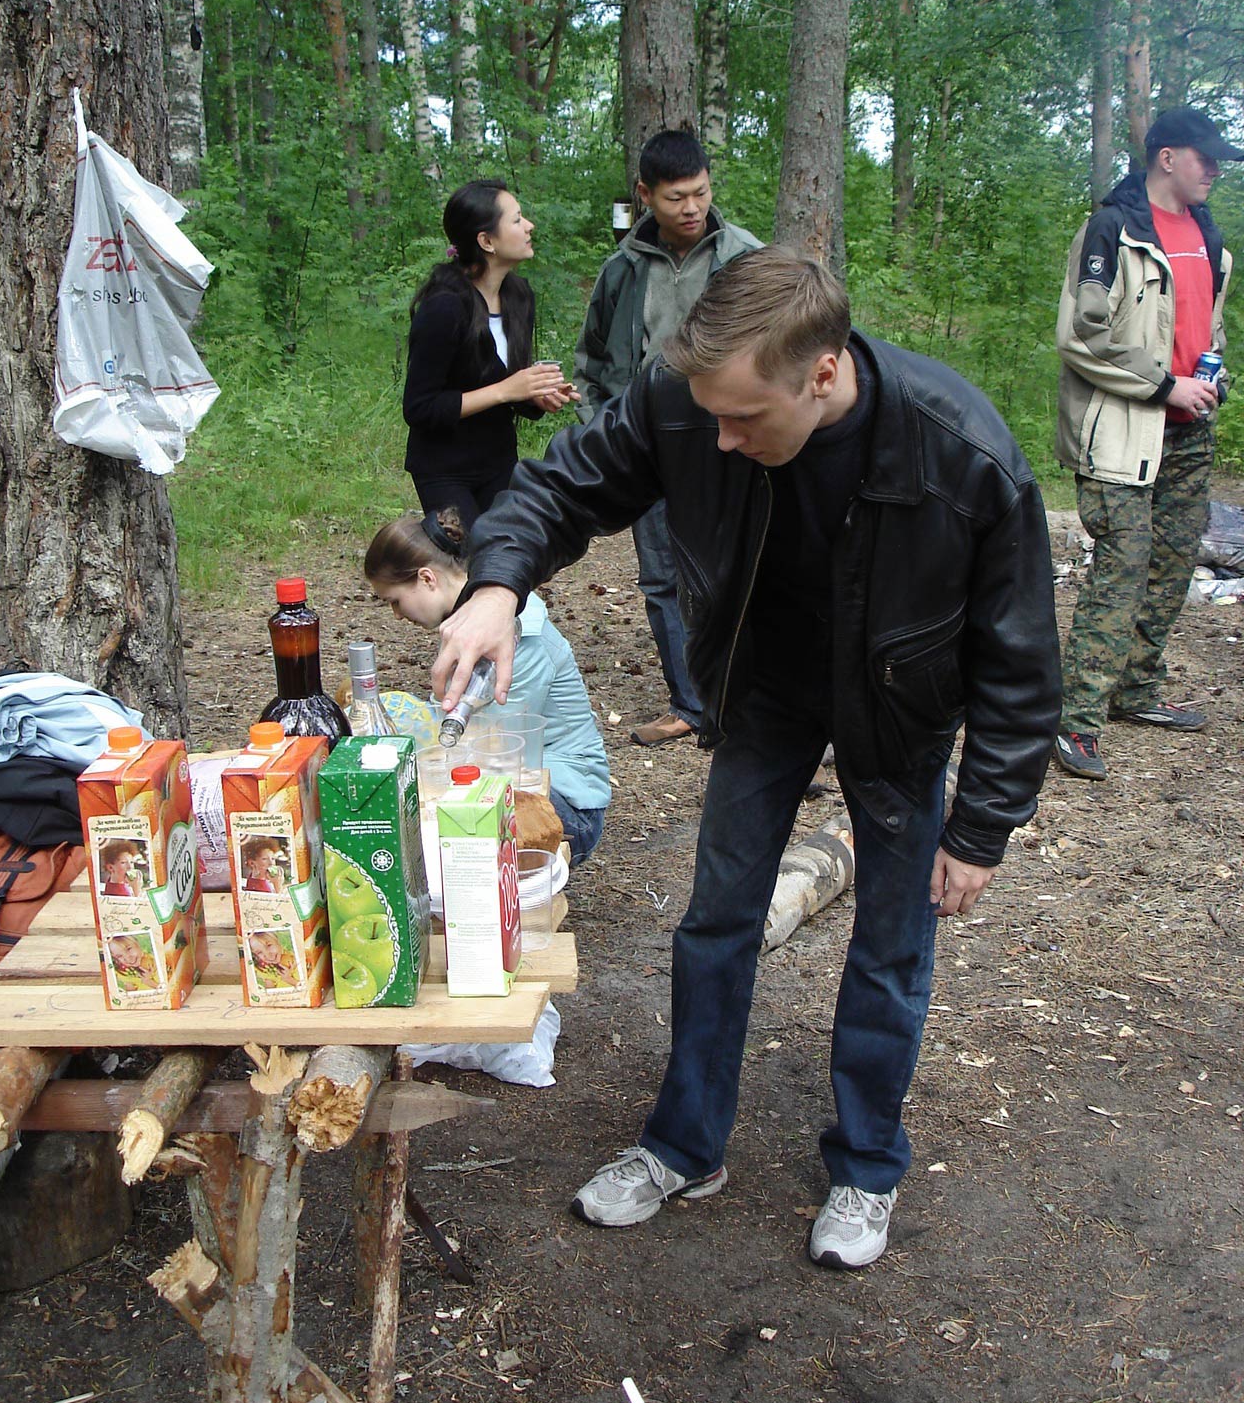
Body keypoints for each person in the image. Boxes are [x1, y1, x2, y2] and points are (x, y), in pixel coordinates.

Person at [433, 247, 1059, 1268]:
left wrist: (982, 823)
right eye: (709, 416)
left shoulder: (959, 452)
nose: (719, 439)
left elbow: (1021, 660)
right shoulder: (685, 401)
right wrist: (498, 585)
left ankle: (866, 1166)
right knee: (717, 917)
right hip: (765, 690)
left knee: (891, 942)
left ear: (822, 374)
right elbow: (560, 488)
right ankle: (684, 1145)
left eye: (744, 419)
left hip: (898, 711)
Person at [1054, 107, 1240, 782]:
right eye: (1204, 158)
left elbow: (1205, 328)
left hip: (1190, 430)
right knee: (1124, 566)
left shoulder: (1210, 237)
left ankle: (1135, 688)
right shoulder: (1112, 229)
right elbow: (1082, 336)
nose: (1214, 170)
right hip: (1123, 429)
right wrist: (1166, 387)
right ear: (1167, 157)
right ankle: (1077, 718)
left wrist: (1211, 376)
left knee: (1173, 562)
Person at [574, 131, 762, 746]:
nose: (691, 208)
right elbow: (593, 359)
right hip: (649, 447)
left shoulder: (746, 259)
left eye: (700, 192)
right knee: (661, 579)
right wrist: (603, 429)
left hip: (733, 444)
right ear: (645, 195)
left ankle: (751, 703)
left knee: (740, 572)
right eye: (676, 197)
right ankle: (690, 703)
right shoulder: (622, 270)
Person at [365, 509, 610, 865]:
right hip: (511, 780)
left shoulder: (520, 633)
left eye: (395, 601)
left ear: (427, 578)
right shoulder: (467, 621)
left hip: (567, 805)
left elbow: (493, 750)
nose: (397, 615)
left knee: (439, 836)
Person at [402, 179, 578, 530]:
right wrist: (507, 390)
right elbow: (420, 408)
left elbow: (503, 382)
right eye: (517, 220)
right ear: (486, 241)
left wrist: (535, 394)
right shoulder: (444, 308)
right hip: (444, 469)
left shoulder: (519, 296)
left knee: (509, 552)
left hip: (499, 460)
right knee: (469, 557)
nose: (529, 226)